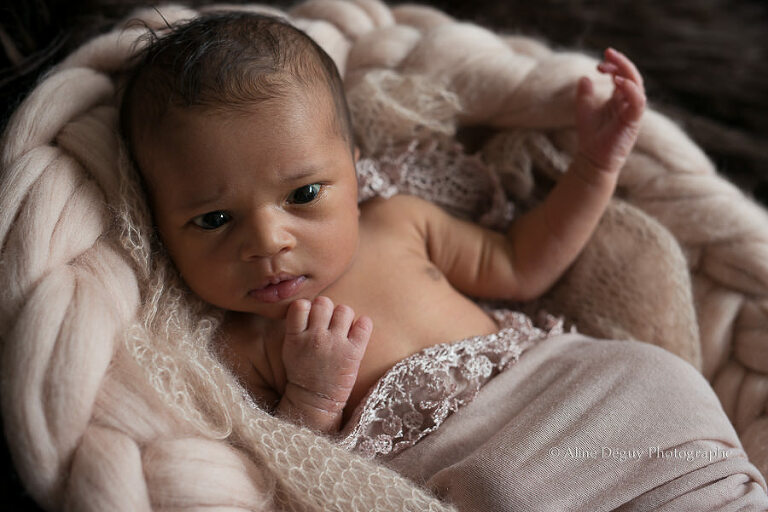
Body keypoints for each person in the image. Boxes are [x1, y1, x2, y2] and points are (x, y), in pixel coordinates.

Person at [120, 11, 768, 509]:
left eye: (304, 195)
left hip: (570, 384)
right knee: (500, 488)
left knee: (664, 380)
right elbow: (285, 470)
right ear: (159, 224)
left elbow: (522, 264)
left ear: (353, 169)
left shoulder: (399, 222)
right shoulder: (240, 343)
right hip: (493, 460)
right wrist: (312, 397)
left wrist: (596, 164)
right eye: (212, 220)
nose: (267, 241)